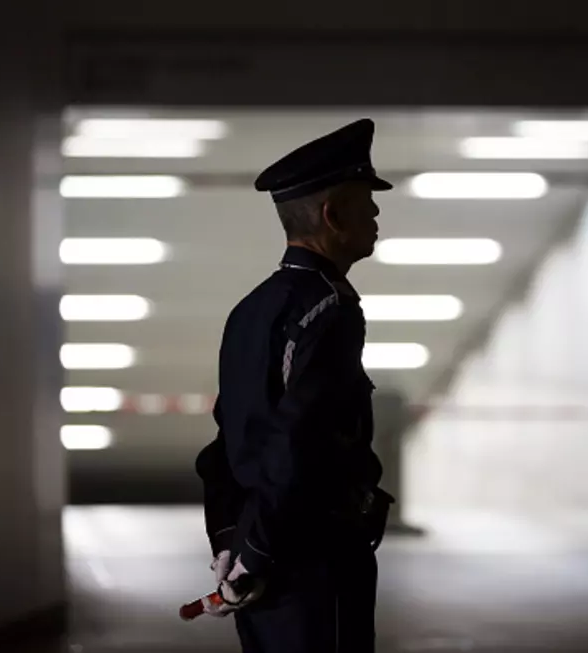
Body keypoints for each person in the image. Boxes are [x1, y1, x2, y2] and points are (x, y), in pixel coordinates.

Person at [193, 118, 396, 653]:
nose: (377, 216)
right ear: (333, 215)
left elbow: (227, 440)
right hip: (310, 558)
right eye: (367, 204)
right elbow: (298, 439)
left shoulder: (251, 309)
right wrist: (259, 554)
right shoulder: (331, 308)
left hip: (260, 555)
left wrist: (232, 547)